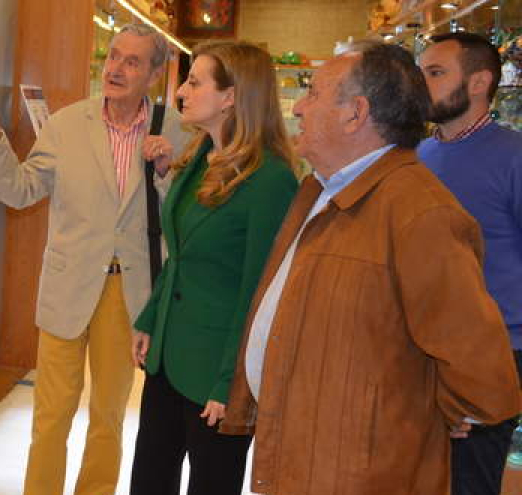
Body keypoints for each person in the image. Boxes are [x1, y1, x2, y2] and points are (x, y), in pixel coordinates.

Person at [221, 43, 522, 495]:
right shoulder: (320, 190)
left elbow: (481, 374)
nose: (300, 107)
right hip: (305, 456)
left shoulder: (419, 211)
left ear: (355, 113)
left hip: (360, 472)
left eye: (315, 93)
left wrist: (436, 409)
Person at [0, 23, 191, 495]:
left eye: (133, 61)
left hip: (129, 292)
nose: (116, 68)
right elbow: (22, 188)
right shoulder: (67, 124)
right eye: (113, 56)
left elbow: (187, 214)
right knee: (50, 417)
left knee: (108, 418)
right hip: (68, 288)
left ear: (154, 73)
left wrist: (168, 169)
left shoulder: (176, 130)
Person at [130, 42, 298, 495]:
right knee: (149, 480)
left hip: (216, 376)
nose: (182, 91)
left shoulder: (271, 179)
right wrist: (149, 319)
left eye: (194, 81)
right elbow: (179, 257)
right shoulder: (199, 158)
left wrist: (231, 383)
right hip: (168, 359)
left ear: (231, 96)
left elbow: (259, 295)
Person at [417, 31, 522, 495]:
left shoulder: (514, 156)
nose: (422, 84)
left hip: (494, 349)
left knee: (468, 482)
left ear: (479, 83)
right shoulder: (418, 154)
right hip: (426, 346)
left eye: (436, 73)